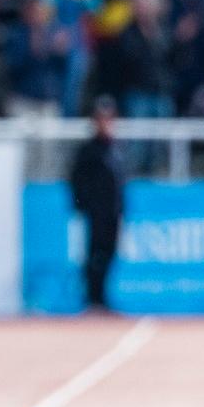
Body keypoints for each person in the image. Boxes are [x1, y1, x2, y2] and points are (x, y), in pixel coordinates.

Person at [70, 98, 125, 312]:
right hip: (96, 213)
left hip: (112, 213)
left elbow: (120, 183)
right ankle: (93, 299)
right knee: (95, 256)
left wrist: (121, 209)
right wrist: (83, 205)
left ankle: (101, 298)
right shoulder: (89, 150)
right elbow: (77, 180)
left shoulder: (116, 149)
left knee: (109, 254)